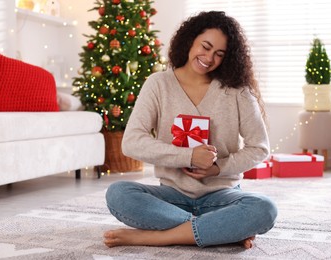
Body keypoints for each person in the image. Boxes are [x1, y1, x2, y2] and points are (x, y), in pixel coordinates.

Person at [103, 10, 277, 249]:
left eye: (219, 54)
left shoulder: (237, 91)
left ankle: (161, 237)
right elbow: (132, 141)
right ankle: (219, 230)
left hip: (222, 196)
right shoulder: (158, 84)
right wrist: (189, 156)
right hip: (171, 196)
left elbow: (259, 148)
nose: (209, 57)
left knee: (264, 209)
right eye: (205, 46)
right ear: (190, 39)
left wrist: (217, 169)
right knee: (118, 193)